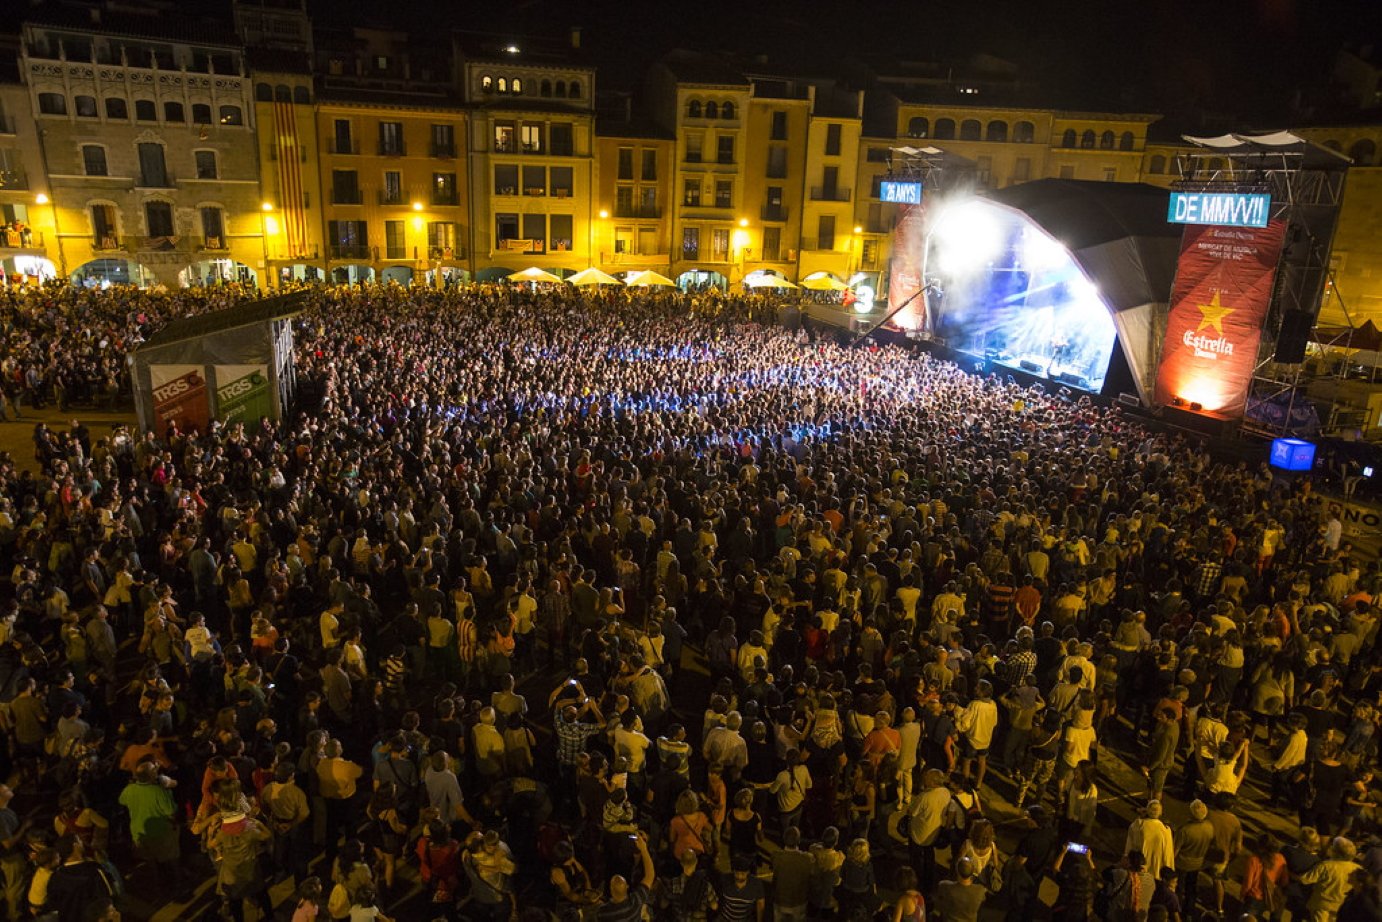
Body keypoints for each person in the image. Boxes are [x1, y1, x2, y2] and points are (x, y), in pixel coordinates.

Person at [596, 829, 654, 922]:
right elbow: (650, 875)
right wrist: (644, 849)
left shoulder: (603, 912)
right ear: (627, 886)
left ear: (611, 889)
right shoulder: (635, 903)